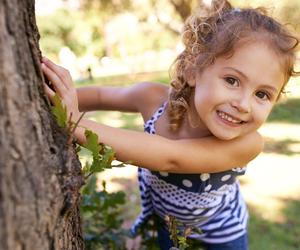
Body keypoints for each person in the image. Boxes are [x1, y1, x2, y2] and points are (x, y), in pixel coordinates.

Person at [41, 0, 299, 249]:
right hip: (168, 224)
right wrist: (52, 95)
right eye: (232, 80)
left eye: (262, 94)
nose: (244, 104)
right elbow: (100, 96)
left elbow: (169, 157)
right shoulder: (152, 99)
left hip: (222, 235)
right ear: (192, 69)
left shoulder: (248, 143)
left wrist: (74, 122)